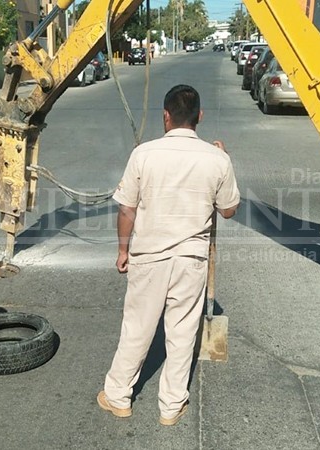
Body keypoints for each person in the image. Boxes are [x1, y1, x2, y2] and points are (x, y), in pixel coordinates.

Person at [98, 85, 240, 426]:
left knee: (137, 328)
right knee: (182, 332)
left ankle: (118, 397)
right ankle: (171, 407)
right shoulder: (216, 159)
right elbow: (229, 210)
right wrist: (225, 157)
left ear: (166, 116)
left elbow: (127, 209)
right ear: (199, 117)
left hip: (148, 257)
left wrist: (122, 249)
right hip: (191, 261)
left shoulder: (143, 154)